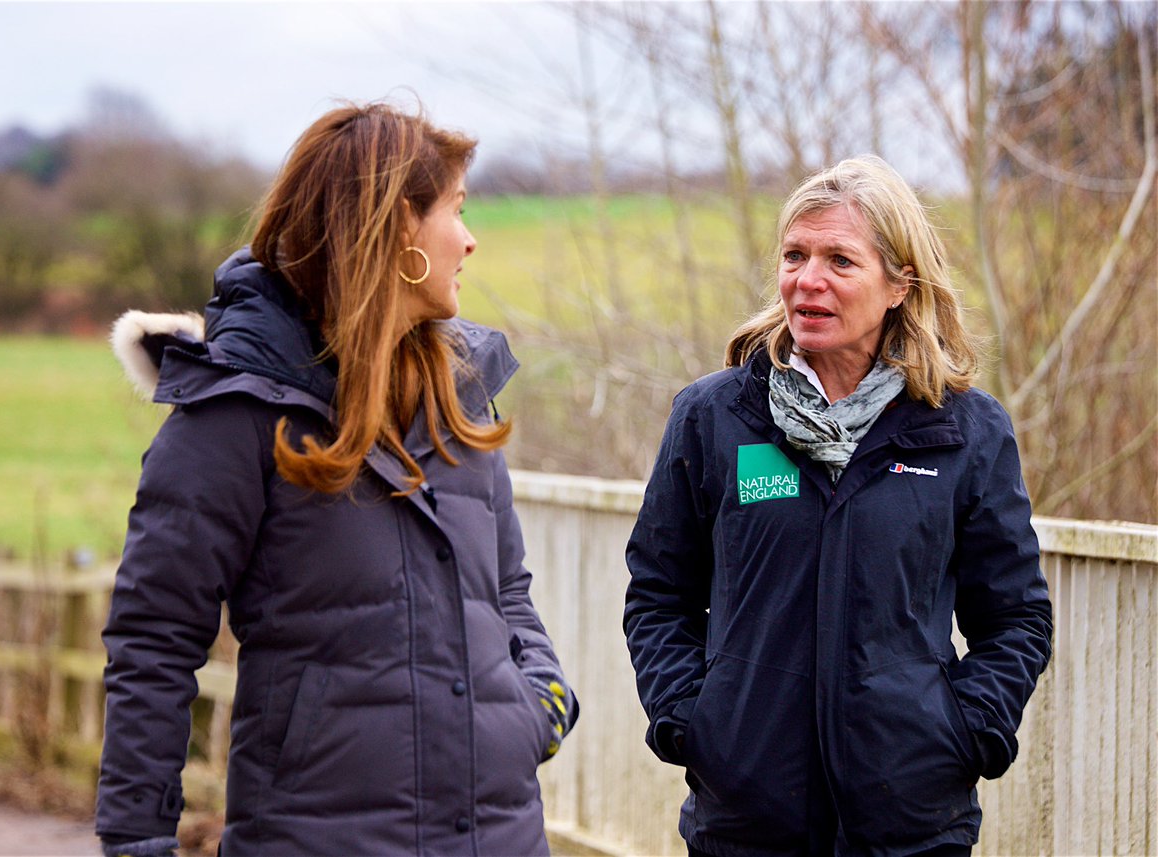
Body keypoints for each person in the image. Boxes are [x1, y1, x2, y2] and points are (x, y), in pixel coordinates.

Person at [96, 102, 576, 857]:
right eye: (456, 210)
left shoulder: (461, 395)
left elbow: (507, 589)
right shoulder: (233, 416)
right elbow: (153, 642)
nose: (471, 238)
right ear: (397, 232)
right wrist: (135, 842)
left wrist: (539, 707)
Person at [623, 155, 1052, 856]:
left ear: (898, 284)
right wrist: (695, 721)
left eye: (840, 260)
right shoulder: (714, 417)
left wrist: (963, 731)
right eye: (795, 255)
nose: (807, 279)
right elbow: (658, 594)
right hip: (748, 824)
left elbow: (1016, 617)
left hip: (908, 827)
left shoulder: (965, 433)